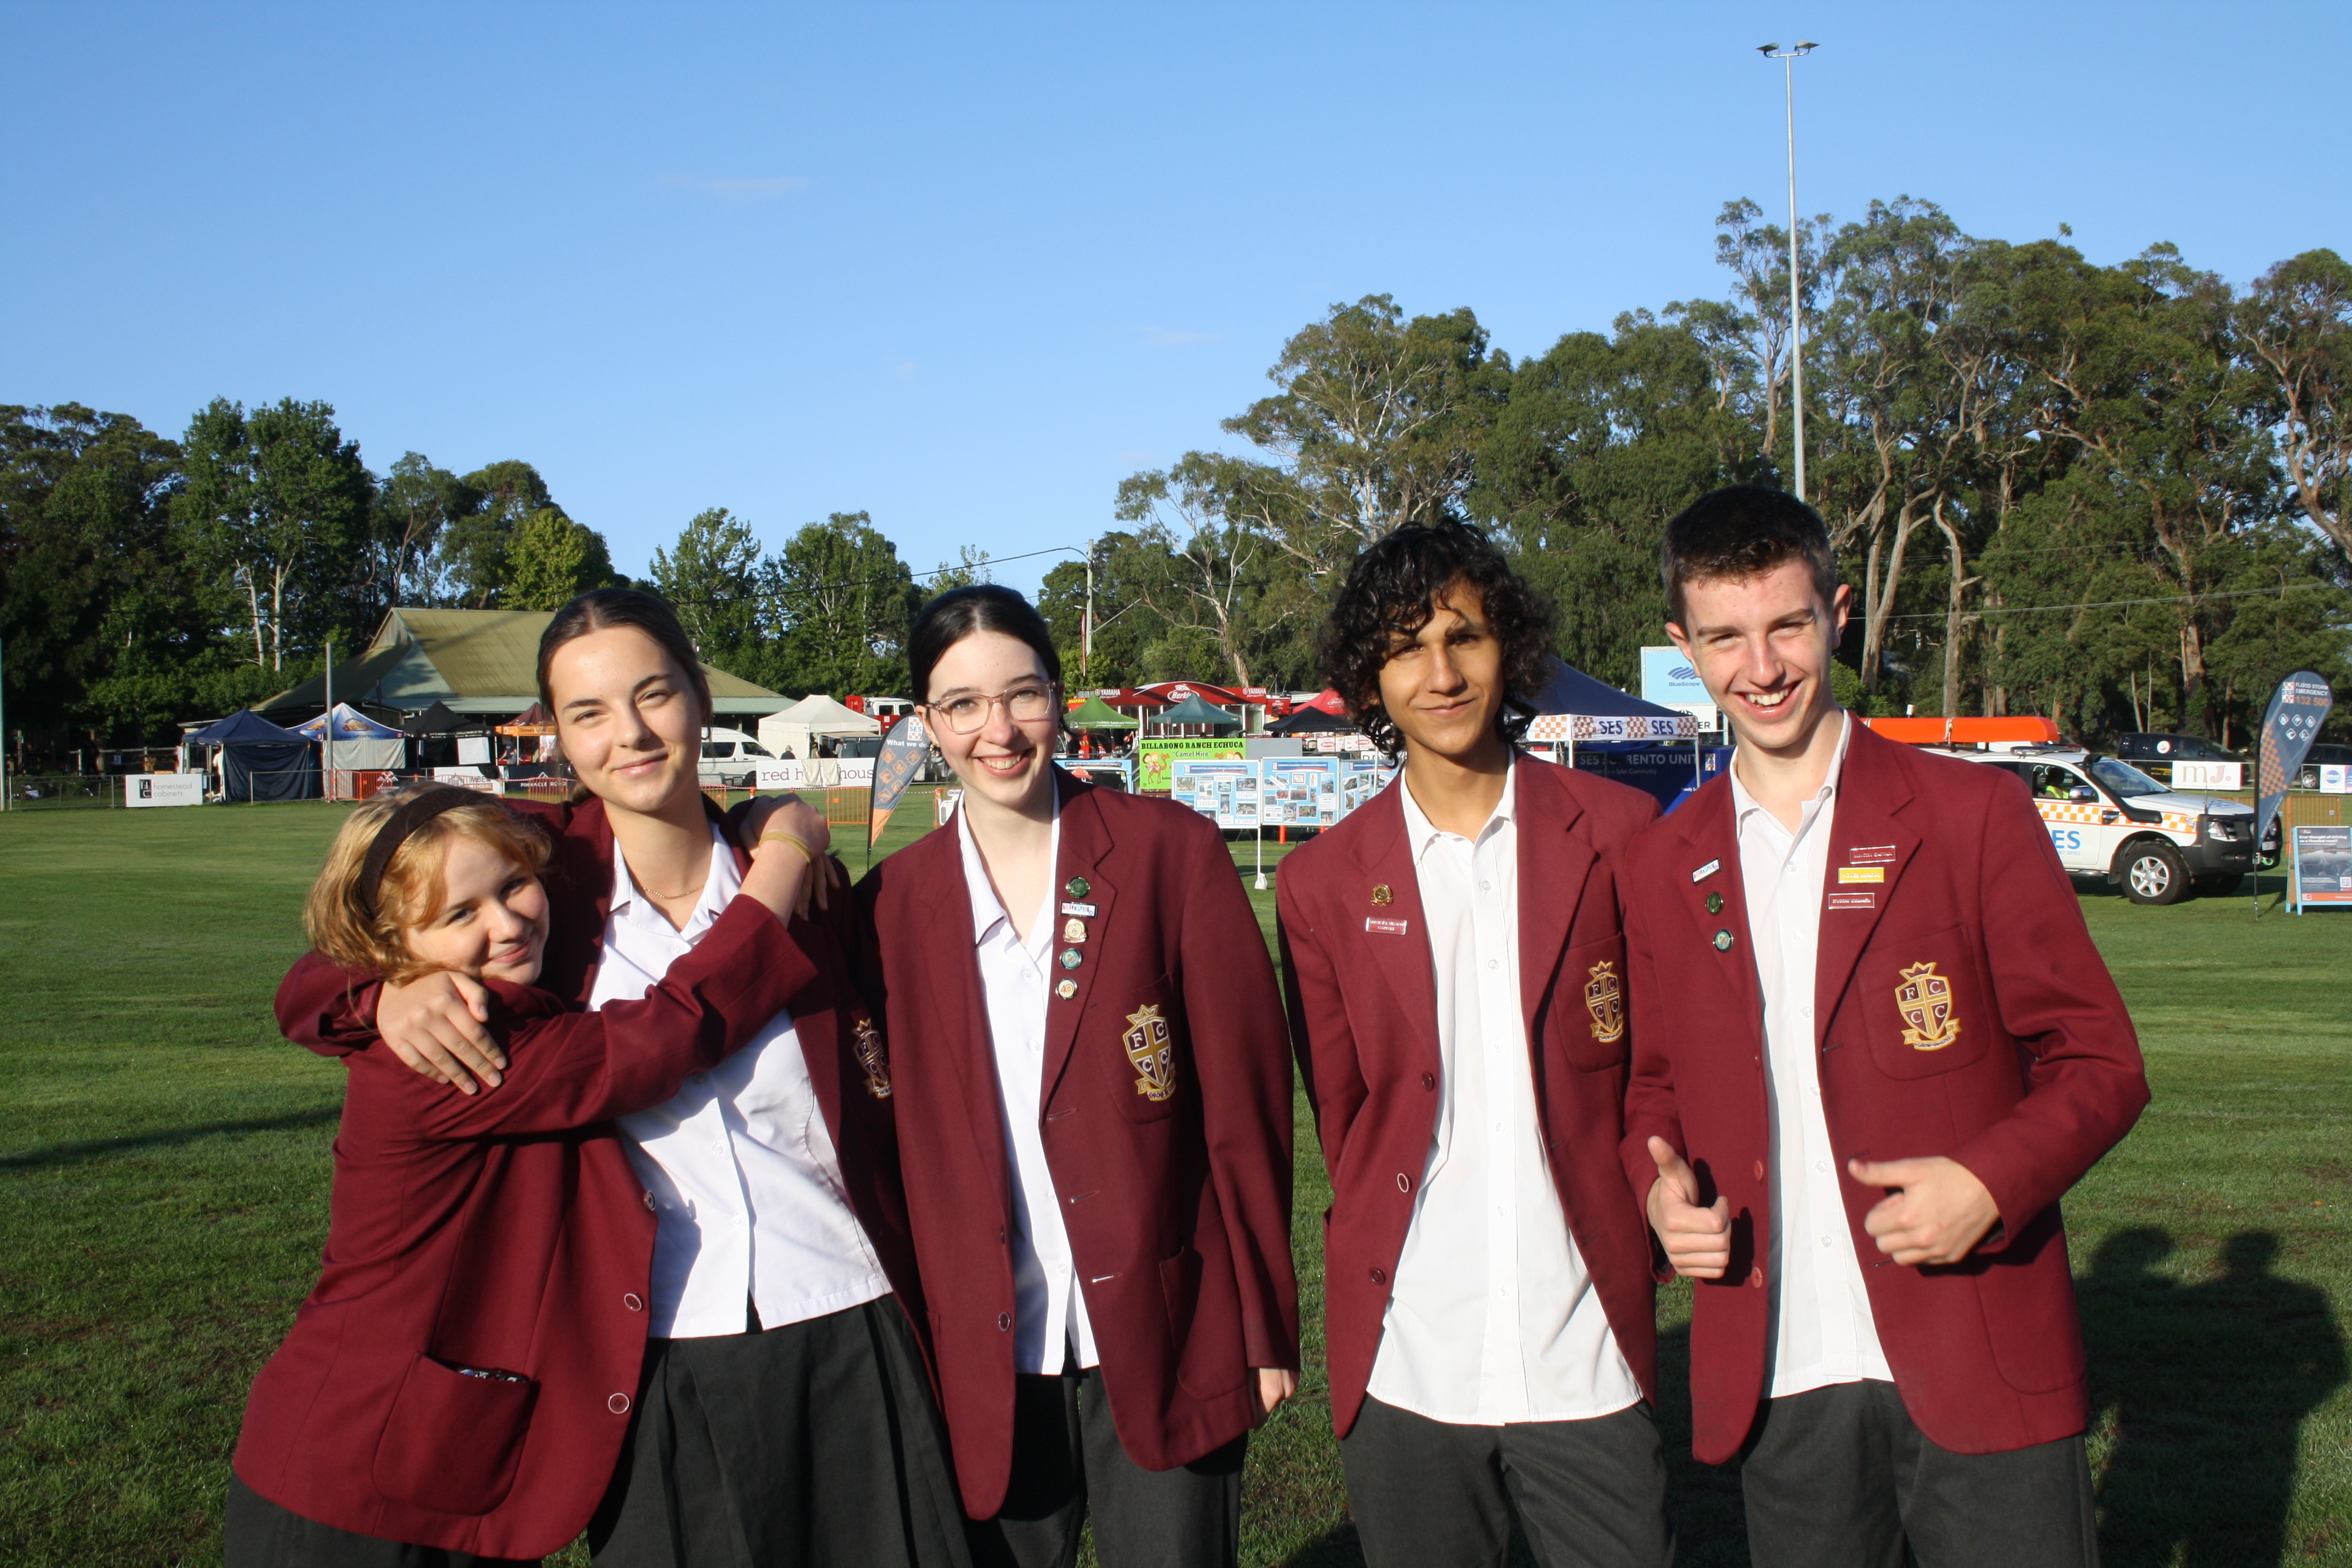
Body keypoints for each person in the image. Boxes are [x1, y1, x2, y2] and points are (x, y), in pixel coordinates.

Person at [274, 589, 967, 1568]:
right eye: (589, 712)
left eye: (654, 694)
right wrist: (373, 992)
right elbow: (344, 945)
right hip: (651, 1362)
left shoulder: (807, 888)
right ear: (556, 735)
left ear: (700, 698)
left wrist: (783, 832)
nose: (630, 734)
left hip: (852, 1319)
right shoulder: (539, 898)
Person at [1619, 486, 2149, 1568]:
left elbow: (2099, 1061)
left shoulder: (1973, 814)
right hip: (1782, 1371)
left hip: (1976, 1347)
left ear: (1840, 613)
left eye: (1788, 626)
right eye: (1724, 638)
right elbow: (1652, 1088)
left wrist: (1990, 1184)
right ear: (1683, 646)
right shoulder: (1662, 860)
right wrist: (1657, 1197)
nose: (1761, 668)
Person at [230, 779, 834, 1566]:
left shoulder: (490, 1007)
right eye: (460, 915)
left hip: (422, 1457)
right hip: (351, 1474)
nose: (508, 924)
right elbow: (673, 1031)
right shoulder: (455, 1056)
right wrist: (783, 855)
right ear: (391, 948)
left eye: (515, 885)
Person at [851, 586, 1299, 1568]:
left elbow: (1247, 1107)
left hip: (1169, 1330)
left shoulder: (1169, 853)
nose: (999, 730)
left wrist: (1265, 1321)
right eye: (963, 704)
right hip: (983, 1363)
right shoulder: (887, 909)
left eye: (1024, 695)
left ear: (1059, 697)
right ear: (927, 721)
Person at [1276, 521, 1673, 1568]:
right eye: (1407, 649)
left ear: (1511, 649)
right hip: (1412, 1356)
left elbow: (1659, 1071)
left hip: (1587, 1348)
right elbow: (1346, 1116)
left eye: (1465, 637)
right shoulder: (1320, 883)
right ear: (1369, 680)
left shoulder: (1623, 833)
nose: (1442, 674)